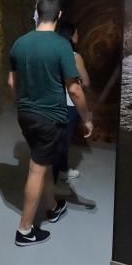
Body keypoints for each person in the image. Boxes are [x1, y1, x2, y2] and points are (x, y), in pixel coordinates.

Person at [8, 0, 93, 246]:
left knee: (40, 162)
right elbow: (75, 89)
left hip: (26, 114)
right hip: (50, 117)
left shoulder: (19, 43)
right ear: (59, 15)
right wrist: (86, 117)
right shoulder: (61, 45)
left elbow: (12, 83)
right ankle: (24, 230)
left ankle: (53, 206)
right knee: (36, 169)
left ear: (37, 13)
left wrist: (25, 102)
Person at [55, 19, 91, 181]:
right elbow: (85, 81)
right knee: (64, 140)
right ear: (70, 36)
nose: (79, 35)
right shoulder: (75, 57)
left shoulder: (52, 53)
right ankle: (59, 172)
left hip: (52, 102)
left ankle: (54, 171)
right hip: (69, 104)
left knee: (54, 139)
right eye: (76, 32)